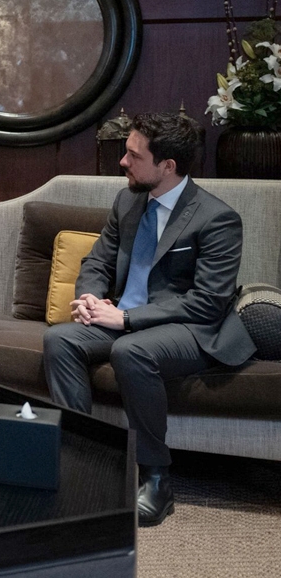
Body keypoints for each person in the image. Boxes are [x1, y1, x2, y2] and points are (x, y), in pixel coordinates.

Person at [43, 112, 255, 527]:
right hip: (124, 318)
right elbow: (98, 261)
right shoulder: (127, 201)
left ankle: (157, 478)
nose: (122, 161)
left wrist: (126, 317)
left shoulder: (217, 218)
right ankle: (84, 460)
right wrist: (89, 297)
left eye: (134, 155)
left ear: (167, 166)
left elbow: (208, 302)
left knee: (131, 350)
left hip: (191, 328)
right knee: (60, 340)